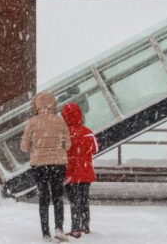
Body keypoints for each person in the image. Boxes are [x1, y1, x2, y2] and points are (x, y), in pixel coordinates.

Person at [20, 91, 71, 242]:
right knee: (57, 197)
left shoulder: (33, 122)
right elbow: (68, 145)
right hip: (58, 163)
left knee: (43, 198)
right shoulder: (60, 121)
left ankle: (45, 233)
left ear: (36, 105)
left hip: (40, 165)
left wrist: (33, 145)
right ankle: (59, 228)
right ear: (53, 104)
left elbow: (23, 147)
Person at [61, 102, 98, 238]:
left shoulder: (63, 134)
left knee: (74, 201)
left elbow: (61, 151)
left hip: (70, 173)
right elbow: (95, 149)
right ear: (79, 115)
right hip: (86, 172)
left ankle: (75, 228)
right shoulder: (87, 132)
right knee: (84, 199)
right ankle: (85, 225)